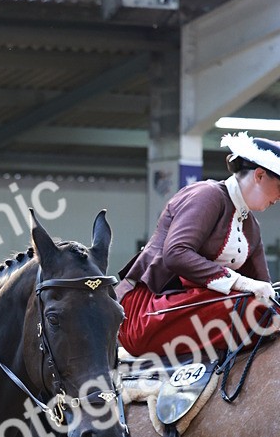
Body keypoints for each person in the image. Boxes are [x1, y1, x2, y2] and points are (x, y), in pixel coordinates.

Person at [118, 132, 280, 358]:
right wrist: (241, 283)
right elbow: (175, 253)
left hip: (195, 306)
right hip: (145, 312)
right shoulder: (207, 195)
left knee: (270, 311)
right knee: (250, 310)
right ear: (260, 175)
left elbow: (264, 289)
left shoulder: (251, 226)